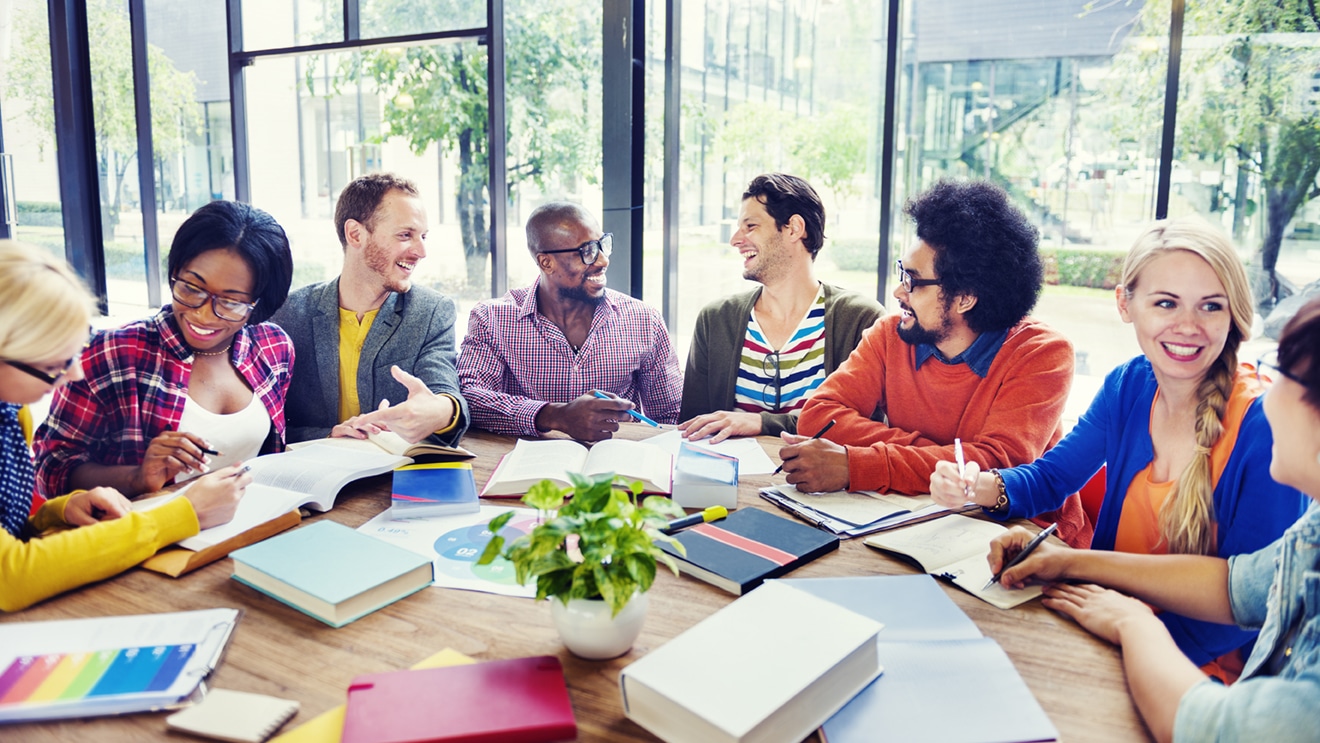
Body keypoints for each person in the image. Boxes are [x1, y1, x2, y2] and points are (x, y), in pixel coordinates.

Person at [930, 217, 1308, 680]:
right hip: (1105, 631)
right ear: (1125, 304)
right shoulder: (1128, 385)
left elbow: (1248, 605)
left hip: (1198, 673)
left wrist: (1125, 643)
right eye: (1166, 303)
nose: (1188, 326)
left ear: (1234, 315)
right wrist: (983, 487)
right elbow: (1053, 479)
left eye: (1211, 306)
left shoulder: (1265, 427)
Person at [982, 296, 1320, 743]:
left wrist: (1135, 625)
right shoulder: (1312, 533)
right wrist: (1065, 562)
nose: (1268, 394)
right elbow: (1234, 586)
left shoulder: (1251, 420)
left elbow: (1216, 729)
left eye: (1282, 376)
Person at [783, 181, 1076, 516]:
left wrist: (860, 465)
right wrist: (950, 455)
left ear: (965, 297)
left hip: (1021, 533)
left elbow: (996, 465)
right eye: (901, 273)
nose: (897, 291)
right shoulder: (891, 335)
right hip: (912, 514)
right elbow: (819, 416)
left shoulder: (1041, 354)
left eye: (913, 281)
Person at [0, 241, 249, 612]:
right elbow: (11, 578)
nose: (75, 373)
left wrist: (62, 511)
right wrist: (183, 516)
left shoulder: (10, 410)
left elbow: (12, 527)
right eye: (55, 363)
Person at [35, 201, 295, 498]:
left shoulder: (274, 348)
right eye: (191, 288)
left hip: (258, 526)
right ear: (175, 271)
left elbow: (272, 452)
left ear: (260, 303)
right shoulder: (113, 352)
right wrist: (137, 477)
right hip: (150, 537)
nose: (204, 314)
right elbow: (50, 469)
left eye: (231, 302)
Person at [678, 173, 884, 442]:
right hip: (729, 480)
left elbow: (861, 426)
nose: (735, 240)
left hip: (824, 483)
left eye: (750, 226)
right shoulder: (715, 320)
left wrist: (762, 423)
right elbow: (692, 426)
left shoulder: (861, 319)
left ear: (793, 228)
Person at [458, 202, 683, 441]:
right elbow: (470, 398)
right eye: (587, 251)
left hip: (618, 465)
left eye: (602, 245)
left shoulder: (644, 320)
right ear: (546, 262)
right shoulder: (492, 319)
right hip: (529, 467)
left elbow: (672, 415)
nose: (603, 260)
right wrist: (555, 416)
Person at [271, 173, 468, 446]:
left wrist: (442, 411)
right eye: (405, 235)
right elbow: (268, 426)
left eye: (423, 236)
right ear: (355, 234)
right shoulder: (288, 315)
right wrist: (328, 436)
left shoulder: (431, 312)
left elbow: (444, 391)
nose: (421, 251)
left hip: (393, 479)